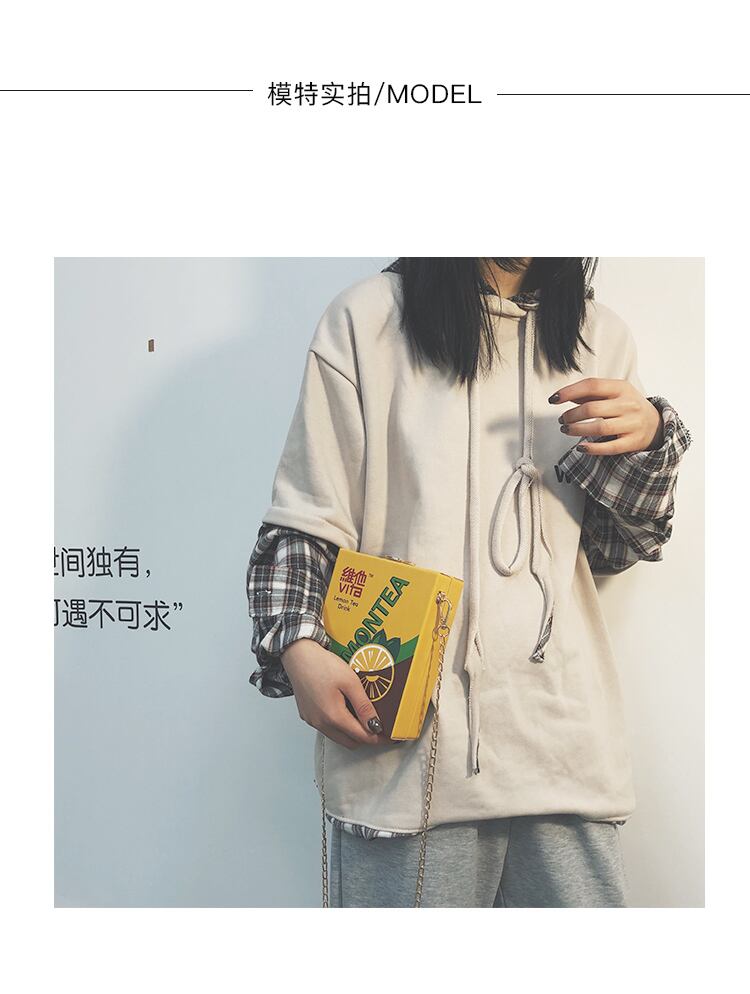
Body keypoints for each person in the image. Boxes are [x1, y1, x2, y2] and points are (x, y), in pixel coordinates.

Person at [246, 258, 692, 908]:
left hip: (562, 750)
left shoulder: (598, 335)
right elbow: (307, 516)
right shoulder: (366, 321)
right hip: (404, 757)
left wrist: (649, 443)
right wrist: (297, 646)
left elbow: (612, 550)